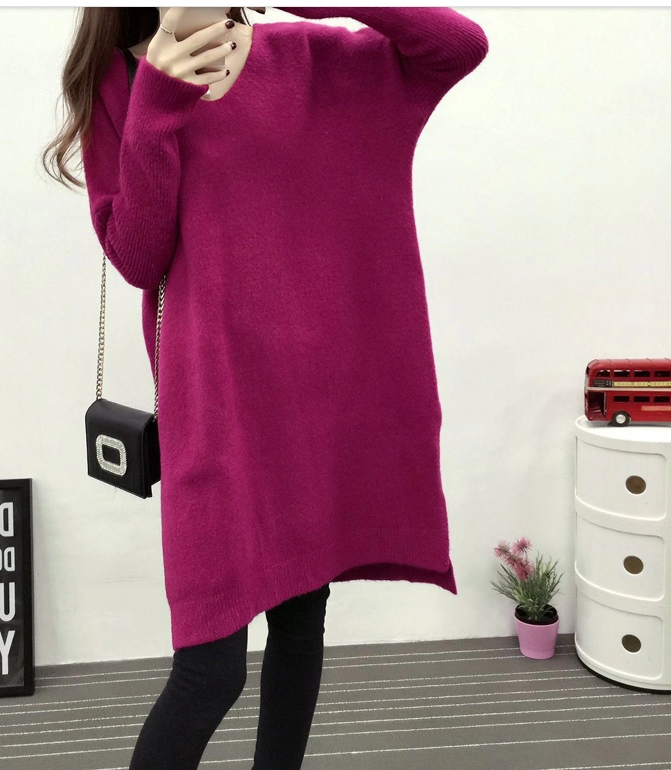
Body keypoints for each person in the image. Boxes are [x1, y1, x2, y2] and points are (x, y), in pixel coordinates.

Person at [42, 6, 488, 768]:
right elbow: (138, 257)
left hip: (319, 409)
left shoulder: (311, 57)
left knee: (300, 627)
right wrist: (157, 101)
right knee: (208, 672)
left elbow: (459, 46)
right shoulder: (121, 79)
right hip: (218, 413)